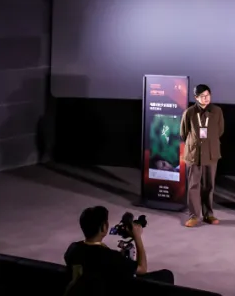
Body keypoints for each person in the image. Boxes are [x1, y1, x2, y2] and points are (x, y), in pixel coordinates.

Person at [64, 206, 174, 289]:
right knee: (166, 275)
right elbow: (142, 269)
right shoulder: (109, 257)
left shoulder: (73, 249)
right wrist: (137, 237)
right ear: (104, 227)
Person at [180, 84, 225, 227]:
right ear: (196, 97)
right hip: (194, 154)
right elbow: (184, 133)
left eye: (208, 95)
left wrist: (209, 141)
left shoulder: (217, 111)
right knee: (193, 186)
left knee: (209, 186)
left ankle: (208, 214)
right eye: (202, 96)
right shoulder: (189, 112)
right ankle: (194, 216)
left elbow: (220, 130)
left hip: (211, 153)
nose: (206, 98)